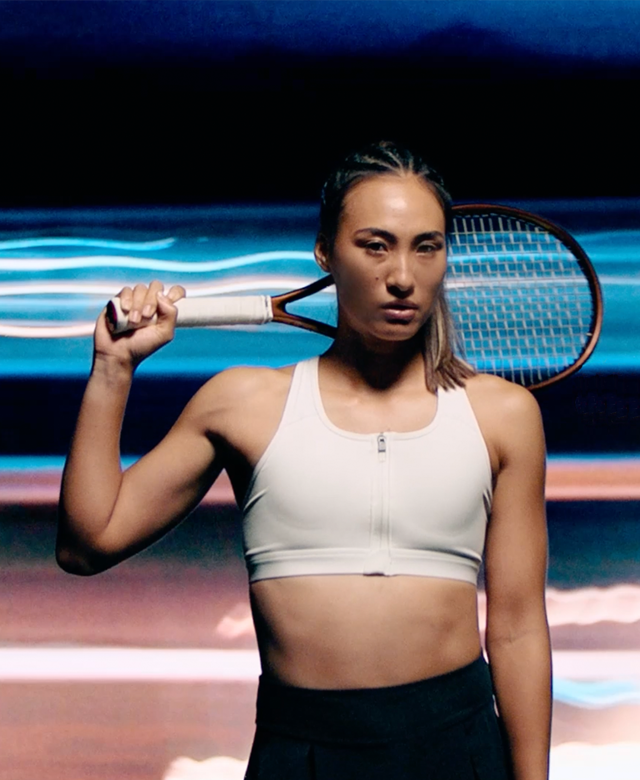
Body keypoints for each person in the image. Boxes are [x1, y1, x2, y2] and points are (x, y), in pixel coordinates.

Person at [57, 141, 551, 780]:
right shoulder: (244, 404)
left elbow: (516, 629)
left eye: (426, 247)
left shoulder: (502, 415)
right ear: (326, 253)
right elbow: (88, 543)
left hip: (458, 748)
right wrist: (113, 368)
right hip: (301, 751)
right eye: (375, 245)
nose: (403, 275)